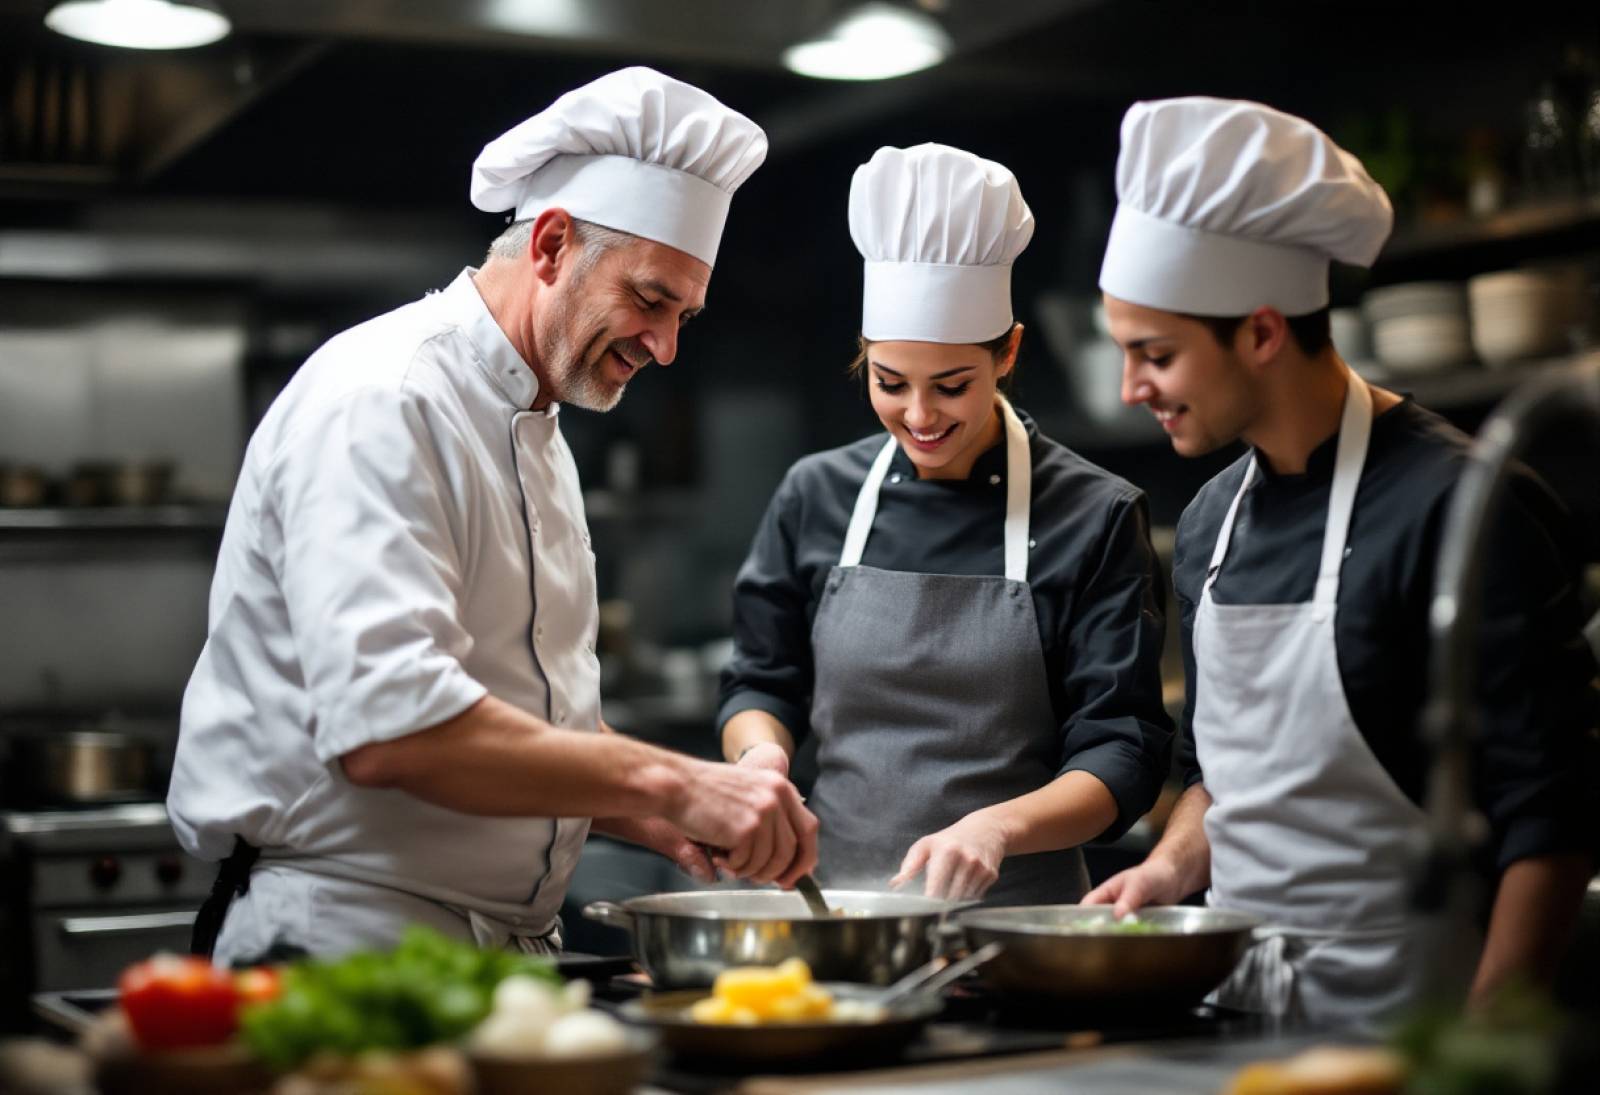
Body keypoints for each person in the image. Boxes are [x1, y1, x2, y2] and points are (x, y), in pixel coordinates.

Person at [168, 67, 818, 965]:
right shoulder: (388, 399)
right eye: (649, 299)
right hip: (346, 940)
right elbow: (393, 725)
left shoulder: (534, 422)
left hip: (485, 950)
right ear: (551, 244)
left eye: (685, 316)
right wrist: (677, 778)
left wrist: (666, 816)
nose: (665, 346)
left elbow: (527, 719)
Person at [1083, 97, 1598, 1027]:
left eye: (1155, 354)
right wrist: (1164, 871)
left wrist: (1480, 1055)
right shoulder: (1211, 522)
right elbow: (1214, 778)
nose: (1130, 390)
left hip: (1419, 1025)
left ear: (1264, 331)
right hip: (1241, 1018)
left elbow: (1554, 816)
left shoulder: (1465, 508)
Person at [717, 144, 1172, 904]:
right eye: (890, 383)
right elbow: (762, 679)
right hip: (833, 915)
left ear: (1008, 353)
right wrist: (760, 758)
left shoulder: (1093, 514)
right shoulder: (815, 493)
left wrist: (999, 827)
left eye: (952, 385)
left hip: (1017, 928)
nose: (920, 417)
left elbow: (1122, 747)